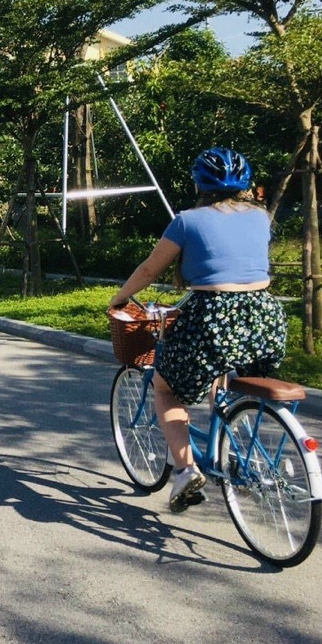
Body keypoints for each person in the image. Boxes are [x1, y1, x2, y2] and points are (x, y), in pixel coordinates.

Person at [109, 147, 287, 513]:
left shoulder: (187, 221)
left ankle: (186, 470)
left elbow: (149, 270)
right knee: (223, 375)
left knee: (165, 388)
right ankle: (230, 450)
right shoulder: (260, 217)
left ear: (198, 184)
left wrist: (120, 298)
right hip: (266, 318)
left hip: (212, 317)